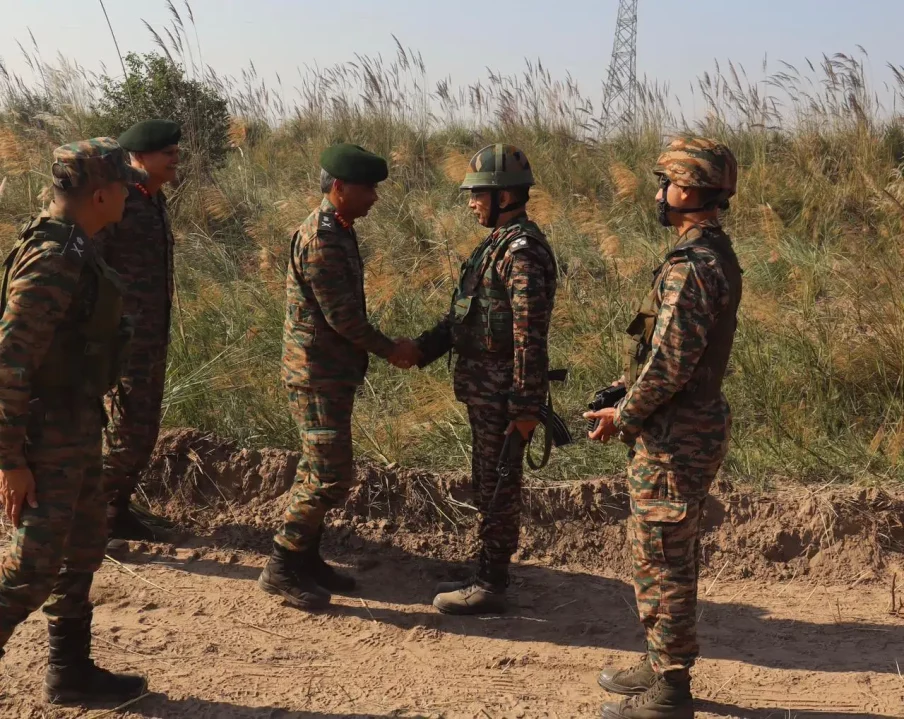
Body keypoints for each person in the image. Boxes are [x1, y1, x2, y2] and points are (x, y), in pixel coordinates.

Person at [584, 137, 742, 719]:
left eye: (665, 183)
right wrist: (627, 394)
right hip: (681, 424)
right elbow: (671, 355)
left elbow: (673, 363)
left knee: (664, 554)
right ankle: (657, 662)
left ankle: (669, 692)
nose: (657, 194)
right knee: (659, 550)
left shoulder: (694, 266)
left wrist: (624, 415)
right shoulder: (706, 254)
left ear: (688, 190)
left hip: (678, 435)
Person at [0, 138, 148, 705]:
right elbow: (10, 362)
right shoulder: (55, 257)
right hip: (45, 435)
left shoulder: (77, 246)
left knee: (83, 547)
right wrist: (11, 460)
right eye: (126, 191)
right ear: (102, 193)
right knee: (29, 571)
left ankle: (69, 671)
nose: (131, 199)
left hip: (76, 424)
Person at [258, 143, 419, 610]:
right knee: (328, 475)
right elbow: (343, 318)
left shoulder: (340, 230)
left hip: (329, 371)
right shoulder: (322, 239)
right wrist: (393, 350)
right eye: (368, 187)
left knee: (319, 468)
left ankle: (306, 559)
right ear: (340, 187)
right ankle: (281, 566)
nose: (375, 196)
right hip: (317, 374)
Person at [415, 144, 558, 615]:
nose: (471, 202)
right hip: (487, 392)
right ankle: (485, 569)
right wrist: (419, 350)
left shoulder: (521, 252)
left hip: (504, 395)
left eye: (478, 193)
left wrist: (524, 407)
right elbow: (464, 319)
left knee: (498, 484)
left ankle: (492, 582)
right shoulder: (494, 245)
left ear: (505, 196)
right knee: (486, 481)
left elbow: (528, 337)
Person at [99, 119, 180, 545]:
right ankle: (92, 519)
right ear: (141, 156)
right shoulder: (121, 199)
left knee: (144, 428)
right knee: (124, 429)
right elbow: (93, 263)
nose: (175, 158)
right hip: (124, 337)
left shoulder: (153, 199)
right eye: (168, 152)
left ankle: (116, 508)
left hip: (152, 336)